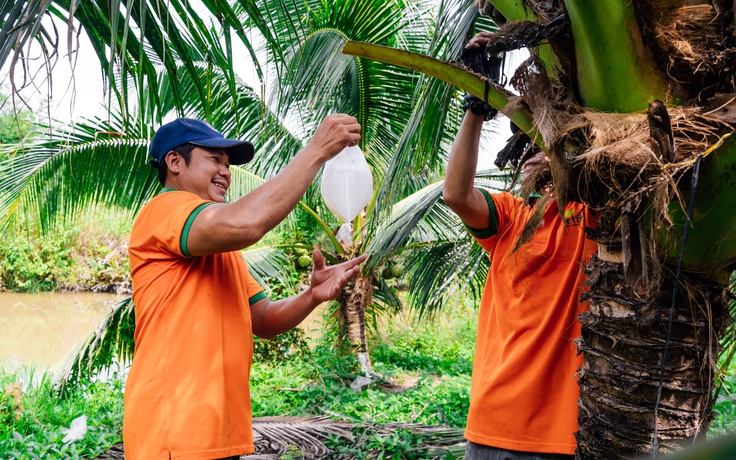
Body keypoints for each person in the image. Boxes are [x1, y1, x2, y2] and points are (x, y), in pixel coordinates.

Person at [123, 115, 366, 459]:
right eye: (214, 160)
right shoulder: (165, 210)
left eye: (227, 164)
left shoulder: (220, 247)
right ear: (174, 162)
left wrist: (312, 295)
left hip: (218, 434)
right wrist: (316, 151)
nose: (226, 171)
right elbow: (248, 223)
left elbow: (263, 319)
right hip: (173, 432)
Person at [442, 34, 598, 460]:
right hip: (490, 425)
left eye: (543, 140)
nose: (529, 150)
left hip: (559, 437)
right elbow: (456, 194)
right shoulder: (512, 216)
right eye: (524, 140)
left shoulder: (593, 217)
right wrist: (477, 107)